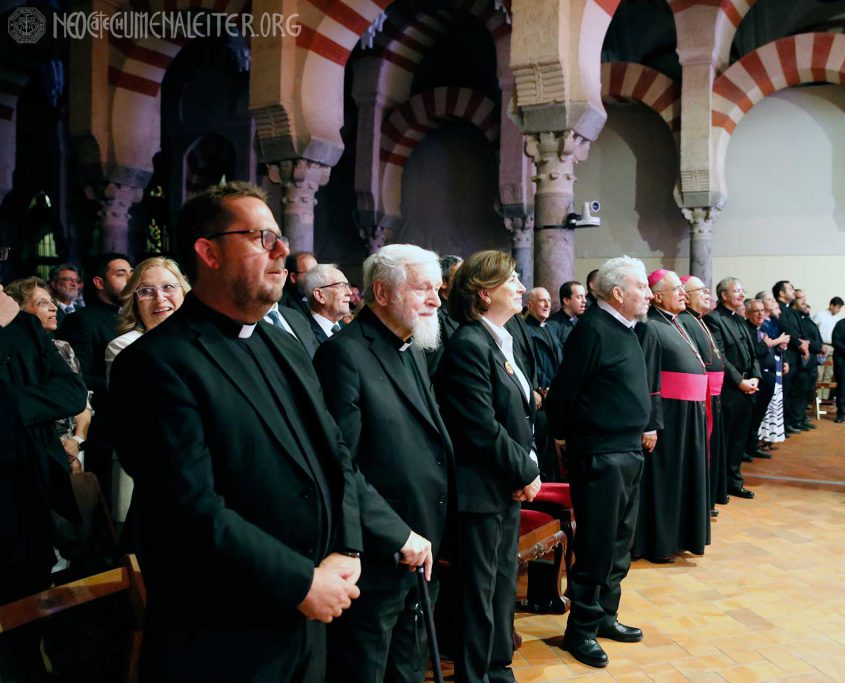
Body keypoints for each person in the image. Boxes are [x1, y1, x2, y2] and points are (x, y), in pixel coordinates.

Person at [108, 182, 363, 681]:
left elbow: (336, 453)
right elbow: (190, 510)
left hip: (307, 620)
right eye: (261, 237)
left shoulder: (283, 346)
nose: (282, 250)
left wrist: (347, 547)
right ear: (209, 252)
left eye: (279, 236)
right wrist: (302, 581)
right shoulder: (154, 363)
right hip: (221, 638)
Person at [313, 244, 449, 683]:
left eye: (437, 289)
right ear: (382, 292)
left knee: (407, 667)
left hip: (420, 544)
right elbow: (341, 463)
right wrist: (397, 534)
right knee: (367, 669)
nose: (435, 299)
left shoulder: (411, 346)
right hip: (378, 552)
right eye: (423, 289)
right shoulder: (345, 354)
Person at [546, 256, 658, 669]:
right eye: (642, 287)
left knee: (619, 544)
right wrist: (568, 440)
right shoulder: (592, 330)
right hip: (600, 453)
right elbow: (565, 393)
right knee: (596, 546)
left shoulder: (627, 329)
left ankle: (605, 615)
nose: (648, 294)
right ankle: (581, 630)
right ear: (617, 293)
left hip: (626, 450)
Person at [435, 250, 541, 683]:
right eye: (511, 280)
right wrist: (525, 471)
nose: (520, 287)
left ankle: (498, 667)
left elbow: (519, 418)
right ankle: (476, 675)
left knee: (499, 586)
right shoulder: (468, 345)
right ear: (483, 293)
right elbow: (480, 427)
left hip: (503, 484)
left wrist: (524, 467)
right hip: (480, 490)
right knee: (478, 592)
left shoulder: (499, 338)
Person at [0, 282, 87, 679]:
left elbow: (70, 392)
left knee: (28, 603)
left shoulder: (24, 328)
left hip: (29, 488)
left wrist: (11, 406)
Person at [104, 257, 191, 526]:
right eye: (146, 291)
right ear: (134, 301)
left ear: (184, 292)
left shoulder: (205, 339)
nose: (160, 298)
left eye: (168, 287)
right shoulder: (124, 348)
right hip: (151, 473)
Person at [633, 269, 709, 562]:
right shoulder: (650, 326)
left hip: (688, 414)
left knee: (683, 481)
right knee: (665, 482)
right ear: (658, 296)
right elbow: (647, 378)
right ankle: (658, 542)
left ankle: (679, 537)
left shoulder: (677, 323)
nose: (681, 292)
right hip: (669, 417)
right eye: (675, 288)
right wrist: (650, 424)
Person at [58, 252, 133, 502]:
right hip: (103, 428)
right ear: (99, 282)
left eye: (132, 272)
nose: (130, 278)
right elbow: (78, 376)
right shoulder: (83, 320)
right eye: (121, 273)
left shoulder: (133, 317)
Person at [6, 277, 92, 477]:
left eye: (52, 301)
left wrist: (77, 441)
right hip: (35, 447)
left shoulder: (63, 348)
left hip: (72, 446)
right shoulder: (13, 352)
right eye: (42, 303)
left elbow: (82, 399)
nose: (54, 308)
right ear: (16, 309)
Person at [704, 278, 759, 500]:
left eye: (742, 290)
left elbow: (752, 352)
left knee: (739, 439)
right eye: (736, 291)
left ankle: (735, 481)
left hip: (748, 385)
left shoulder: (740, 319)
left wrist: (755, 376)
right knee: (726, 439)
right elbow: (721, 357)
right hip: (729, 388)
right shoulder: (713, 319)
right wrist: (740, 381)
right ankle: (720, 485)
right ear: (723, 294)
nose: (741, 294)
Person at [679, 276, 729, 513]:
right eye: (701, 290)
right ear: (686, 297)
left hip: (714, 394)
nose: (707, 293)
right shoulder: (686, 322)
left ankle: (712, 496)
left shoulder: (699, 320)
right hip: (702, 395)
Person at [523, 287, 563, 481]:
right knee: (542, 448)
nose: (547, 304)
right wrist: (538, 388)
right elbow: (528, 363)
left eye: (548, 300)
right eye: (541, 301)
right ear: (529, 305)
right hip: (539, 400)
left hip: (555, 398)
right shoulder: (524, 330)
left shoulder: (551, 328)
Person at [744, 298, 781, 460]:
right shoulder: (746, 330)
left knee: (759, 414)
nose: (760, 314)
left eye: (762, 311)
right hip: (755, 378)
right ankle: (745, 448)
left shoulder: (763, 330)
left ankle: (753, 445)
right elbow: (753, 353)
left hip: (769, 376)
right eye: (755, 311)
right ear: (747, 314)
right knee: (750, 415)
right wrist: (767, 344)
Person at [772, 280, 808, 434]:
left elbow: (799, 329)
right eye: (790, 288)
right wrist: (800, 343)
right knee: (784, 394)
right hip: (787, 355)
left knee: (793, 392)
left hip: (796, 356)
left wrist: (805, 342)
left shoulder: (791, 310)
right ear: (781, 293)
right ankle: (783, 426)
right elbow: (786, 329)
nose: (793, 291)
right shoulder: (778, 309)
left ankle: (791, 422)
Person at [754, 293, 789, 450]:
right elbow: (763, 344)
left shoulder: (774, 322)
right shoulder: (760, 323)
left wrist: (783, 355)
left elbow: (779, 341)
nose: (774, 303)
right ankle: (761, 438)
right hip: (764, 366)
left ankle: (770, 436)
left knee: (775, 402)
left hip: (775, 362)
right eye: (770, 300)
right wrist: (778, 342)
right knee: (766, 404)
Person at [425, 254, 463, 378]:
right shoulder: (434, 317)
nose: (468, 281)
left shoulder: (461, 311)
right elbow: (433, 370)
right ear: (444, 282)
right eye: (460, 276)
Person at [793, 290, 823, 430]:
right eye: (801, 300)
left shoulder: (808, 320)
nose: (805, 303)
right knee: (799, 392)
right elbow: (805, 341)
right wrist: (814, 344)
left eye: (805, 299)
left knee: (807, 392)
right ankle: (797, 420)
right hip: (802, 363)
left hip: (812, 362)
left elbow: (817, 342)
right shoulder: (797, 320)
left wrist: (816, 345)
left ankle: (802, 417)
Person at [303, 264, 353, 344]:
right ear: (319, 295)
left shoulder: (349, 329)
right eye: (341, 285)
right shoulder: (303, 334)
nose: (350, 292)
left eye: (348, 286)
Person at [813, 296, 845, 397]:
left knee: (829, 374)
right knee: (819, 374)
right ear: (831, 305)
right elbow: (812, 330)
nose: (839, 310)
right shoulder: (820, 315)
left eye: (840, 308)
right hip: (821, 347)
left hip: (833, 347)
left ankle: (824, 399)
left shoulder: (838, 319)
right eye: (837, 307)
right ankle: (816, 401)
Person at [548, 280, 587, 348]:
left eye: (584, 296)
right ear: (566, 300)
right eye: (579, 297)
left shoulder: (580, 321)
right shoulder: (552, 325)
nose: (584, 301)